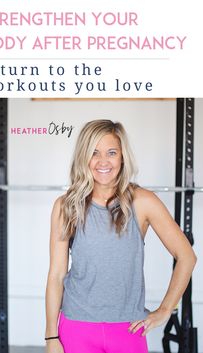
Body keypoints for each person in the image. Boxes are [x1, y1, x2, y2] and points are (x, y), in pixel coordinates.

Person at [44, 119, 197, 353]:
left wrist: (165, 310)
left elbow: (186, 256)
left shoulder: (143, 201)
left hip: (127, 328)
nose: (103, 161)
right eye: (94, 153)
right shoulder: (66, 206)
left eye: (111, 152)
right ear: (84, 157)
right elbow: (56, 275)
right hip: (77, 327)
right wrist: (51, 336)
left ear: (122, 156)